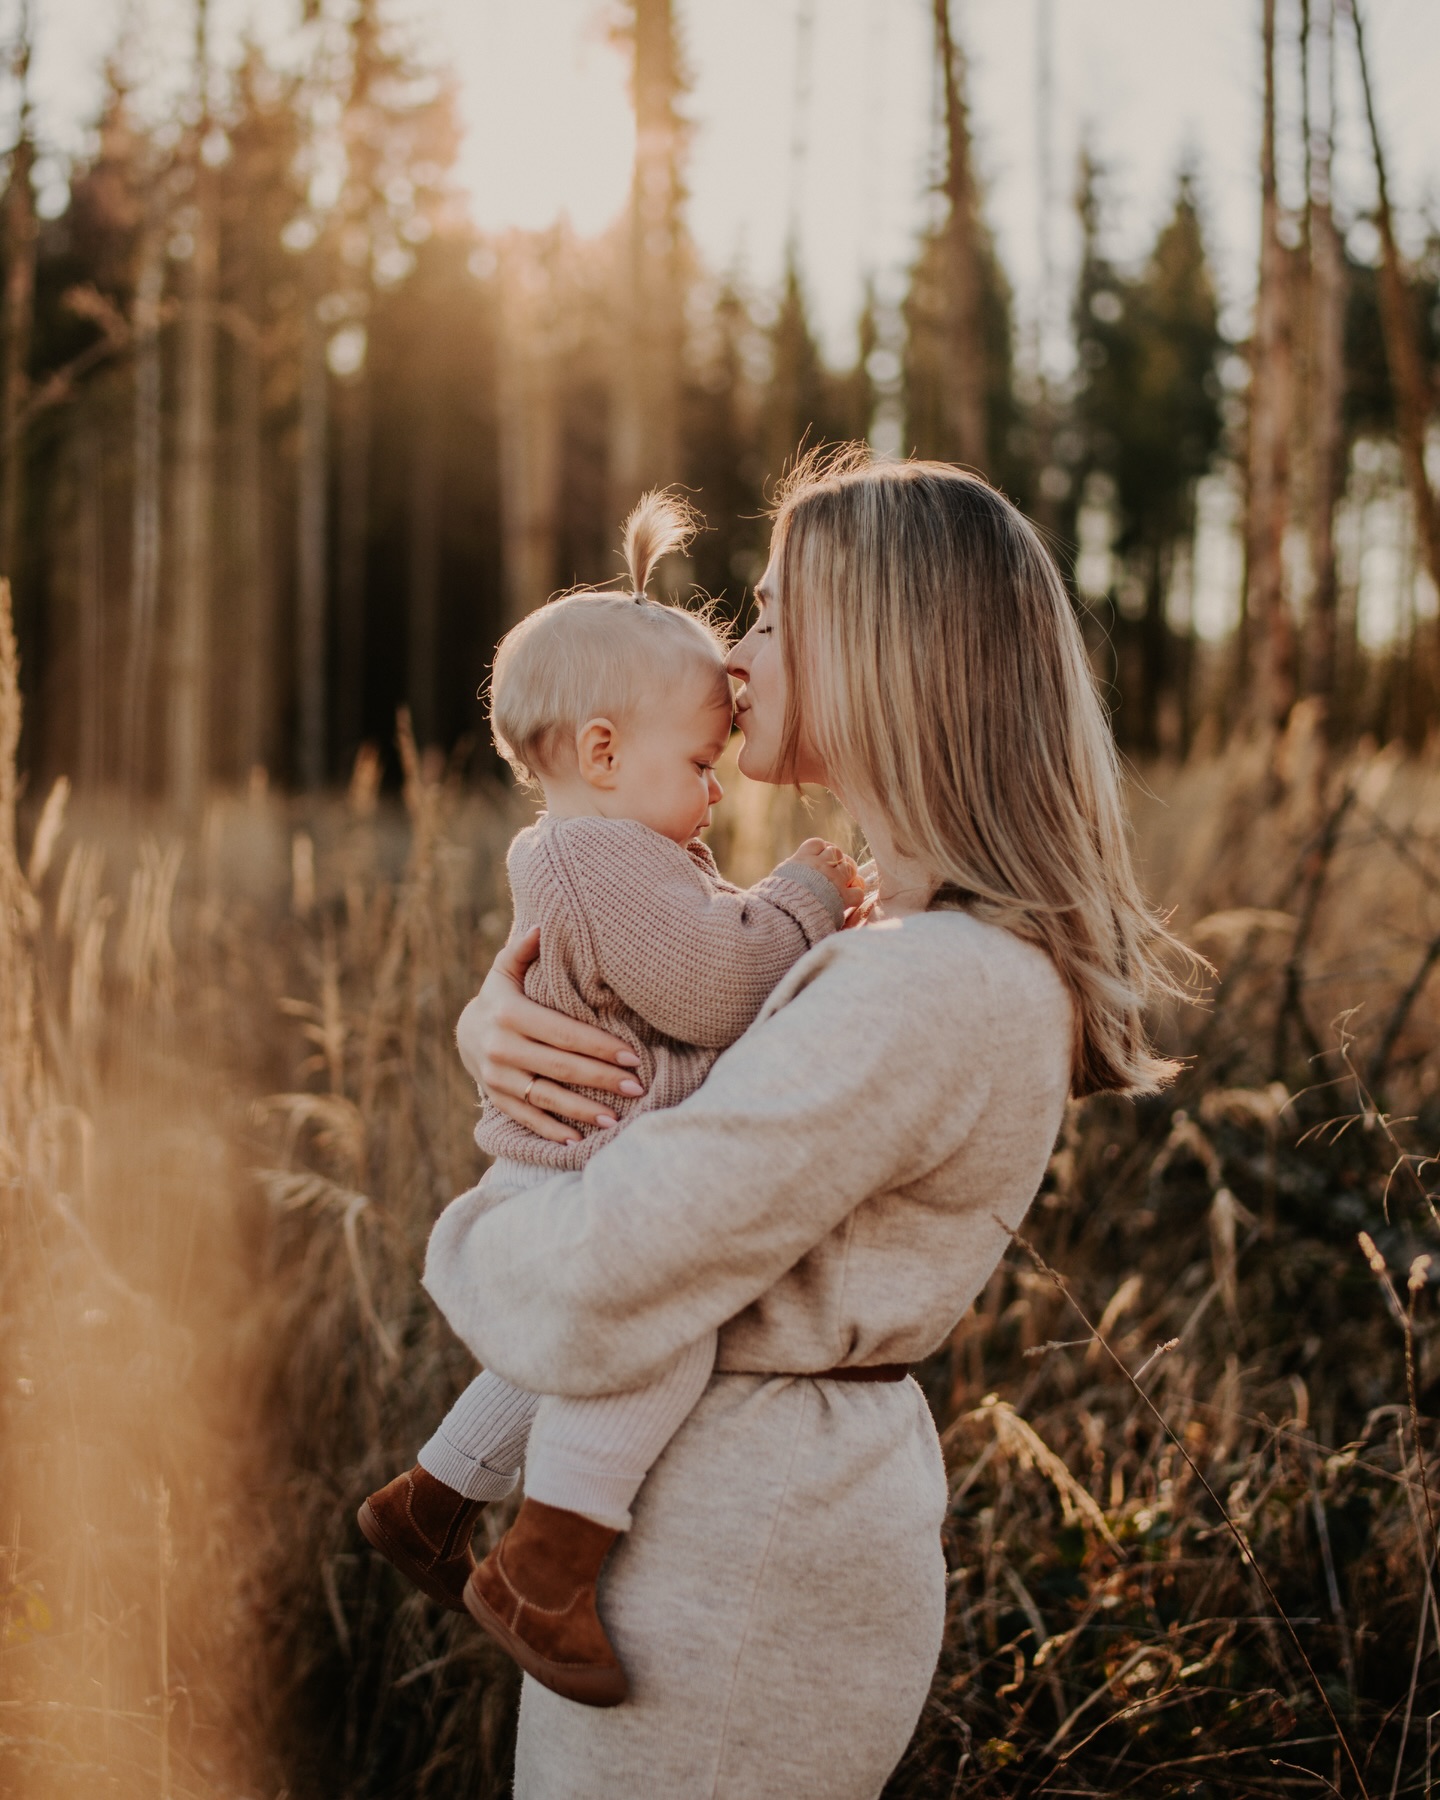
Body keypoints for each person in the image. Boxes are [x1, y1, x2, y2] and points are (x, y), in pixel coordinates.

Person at [425, 448, 1189, 1799]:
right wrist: (501, 1037)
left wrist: (486, 1225)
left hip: (743, 1567)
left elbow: (616, 1257)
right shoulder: (913, 955)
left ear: (881, 654)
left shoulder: (924, 983)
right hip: (736, 1524)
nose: (737, 660)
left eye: (774, 617)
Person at [357, 492, 862, 1707]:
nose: (716, 794)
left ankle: (428, 1501)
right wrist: (801, 900)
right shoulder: (601, 857)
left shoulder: (607, 850)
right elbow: (710, 984)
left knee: (561, 1344)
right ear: (598, 753)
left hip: (572, 1157)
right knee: (647, 1336)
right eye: (699, 766)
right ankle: (547, 1563)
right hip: (587, 1165)